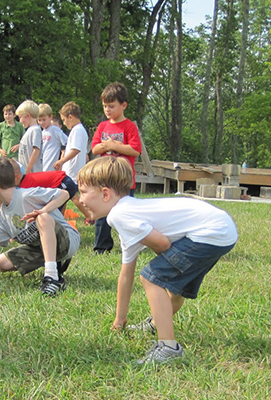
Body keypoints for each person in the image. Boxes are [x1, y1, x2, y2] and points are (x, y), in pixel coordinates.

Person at [77, 157, 238, 364]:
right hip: (222, 231)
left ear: (105, 194)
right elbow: (125, 275)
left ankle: (168, 347)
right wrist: (120, 321)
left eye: (83, 192)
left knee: (152, 278)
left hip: (209, 232)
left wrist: (162, 259)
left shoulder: (119, 215)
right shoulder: (129, 211)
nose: (80, 199)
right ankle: (155, 324)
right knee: (174, 289)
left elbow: (162, 244)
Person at [0, 157, 80, 297]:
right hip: (40, 248)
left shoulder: (26, 195)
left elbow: (64, 194)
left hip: (68, 240)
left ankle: (52, 277)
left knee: (43, 218)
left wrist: (43, 210)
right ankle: (56, 260)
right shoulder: (4, 216)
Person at [91, 82, 141, 254]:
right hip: (105, 179)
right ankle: (101, 247)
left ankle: (130, 244)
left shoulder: (129, 126)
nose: (107, 110)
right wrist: (108, 146)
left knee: (126, 215)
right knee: (102, 216)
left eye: (111, 106)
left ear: (123, 105)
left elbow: (135, 150)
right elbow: (95, 148)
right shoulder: (103, 126)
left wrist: (114, 145)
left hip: (124, 180)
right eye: (105, 106)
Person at [53, 101, 92, 223]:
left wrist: (61, 161)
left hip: (72, 170)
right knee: (63, 195)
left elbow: (75, 150)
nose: (64, 123)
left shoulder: (77, 130)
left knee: (72, 195)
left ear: (71, 117)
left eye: (64, 120)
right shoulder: (79, 130)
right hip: (71, 169)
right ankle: (60, 218)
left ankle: (90, 216)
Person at [38, 103, 67, 172]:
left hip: (51, 166)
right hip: (42, 165)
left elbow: (67, 142)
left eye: (44, 120)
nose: (42, 123)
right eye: (39, 120)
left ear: (50, 117)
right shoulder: (42, 132)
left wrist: (62, 159)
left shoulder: (55, 129)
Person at [16, 100, 42, 173]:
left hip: (32, 172)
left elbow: (36, 150)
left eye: (20, 117)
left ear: (28, 115)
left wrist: (28, 168)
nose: (20, 121)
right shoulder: (29, 130)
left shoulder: (35, 130)